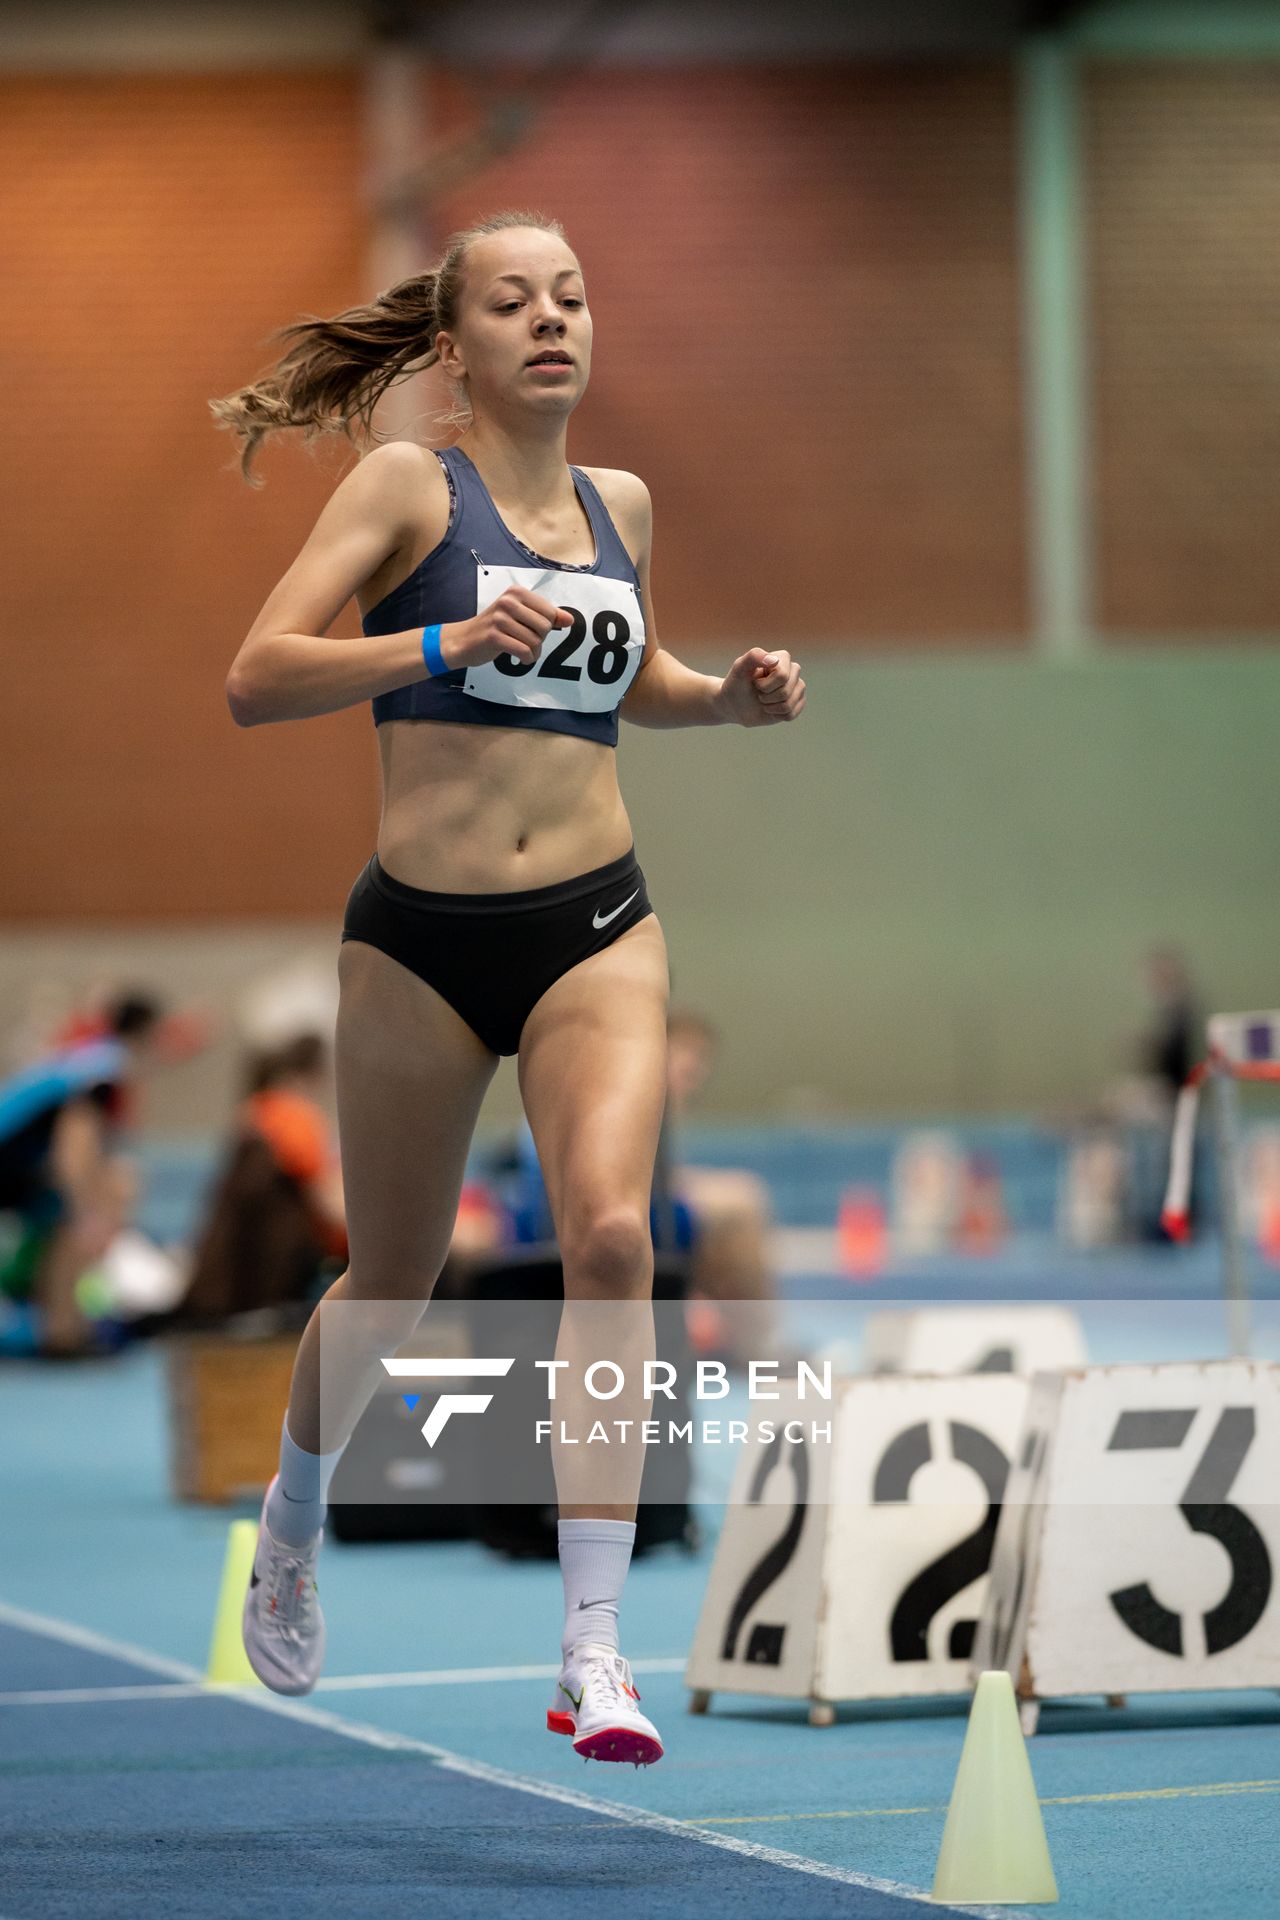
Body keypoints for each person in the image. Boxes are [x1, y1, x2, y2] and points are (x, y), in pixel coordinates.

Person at [211, 209, 805, 1766]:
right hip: (418, 938)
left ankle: (597, 1649)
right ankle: (292, 1514)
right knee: (393, 1283)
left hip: (598, 924)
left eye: (574, 297)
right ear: (456, 344)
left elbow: (636, 680)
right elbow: (256, 676)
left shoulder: (625, 502)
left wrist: (723, 703)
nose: (554, 321)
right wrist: (442, 637)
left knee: (611, 1238)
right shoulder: (411, 486)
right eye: (515, 302)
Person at [180, 1033, 347, 1323]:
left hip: (239, 1279)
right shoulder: (290, 1116)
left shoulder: (253, 1112)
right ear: (317, 1071)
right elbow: (329, 1207)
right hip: (276, 1277)